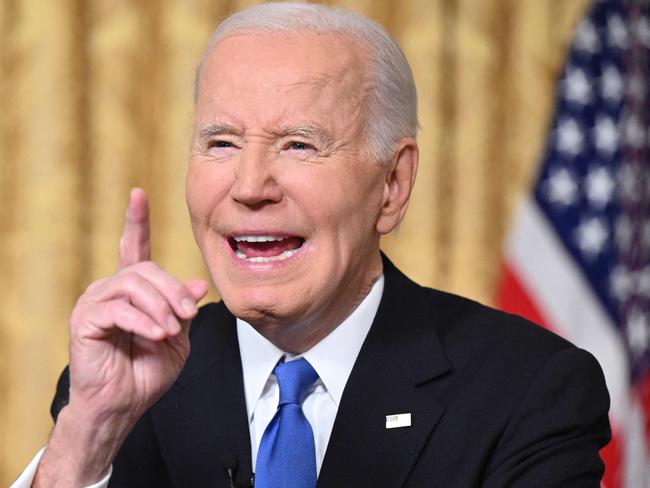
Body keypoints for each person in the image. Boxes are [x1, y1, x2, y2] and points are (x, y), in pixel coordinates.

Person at [14, 3, 610, 487]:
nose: (249, 187)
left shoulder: (527, 392)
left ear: (392, 184)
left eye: (298, 145)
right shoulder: (120, 393)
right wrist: (84, 441)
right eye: (221, 144)